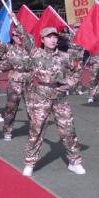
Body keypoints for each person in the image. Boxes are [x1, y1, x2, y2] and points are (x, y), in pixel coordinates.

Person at [23, 27, 85, 177]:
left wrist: (69, 84)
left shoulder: (65, 56)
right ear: (42, 39)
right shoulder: (35, 53)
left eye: (55, 37)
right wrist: (15, 20)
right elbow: (24, 37)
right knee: (36, 130)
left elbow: (78, 69)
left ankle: (74, 162)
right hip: (41, 96)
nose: (53, 40)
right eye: (49, 37)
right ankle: (30, 163)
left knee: (68, 130)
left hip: (60, 97)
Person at [1, 20, 34, 140]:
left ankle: (34, 131)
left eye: (20, 35)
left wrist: (16, 21)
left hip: (29, 82)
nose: (18, 37)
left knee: (32, 108)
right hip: (14, 83)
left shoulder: (30, 48)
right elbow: (4, 66)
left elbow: (27, 37)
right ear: (12, 37)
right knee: (11, 108)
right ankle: (7, 131)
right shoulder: (10, 51)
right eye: (15, 35)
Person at [65, 24, 87, 95]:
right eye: (76, 27)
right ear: (73, 28)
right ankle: (67, 89)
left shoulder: (82, 36)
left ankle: (78, 89)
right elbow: (61, 35)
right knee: (69, 74)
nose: (77, 29)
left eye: (78, 27)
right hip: (71, 58)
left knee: (79, 74)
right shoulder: (70, 35)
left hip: (79, 58)